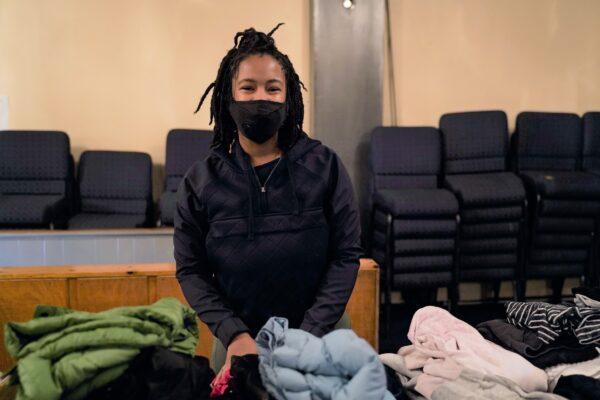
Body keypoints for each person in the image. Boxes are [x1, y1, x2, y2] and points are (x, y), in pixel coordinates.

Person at [174, 24, 362, 378]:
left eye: (272, 88)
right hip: (240, 342)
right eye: (248, 87)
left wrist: (309, 334)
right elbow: (191, 269)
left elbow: (345, 255)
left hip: (322, 335)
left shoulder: (325, 166)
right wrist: (233, 333)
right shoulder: (201, 181)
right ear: (228, 98)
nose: (260, 97)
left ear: (288, 98)